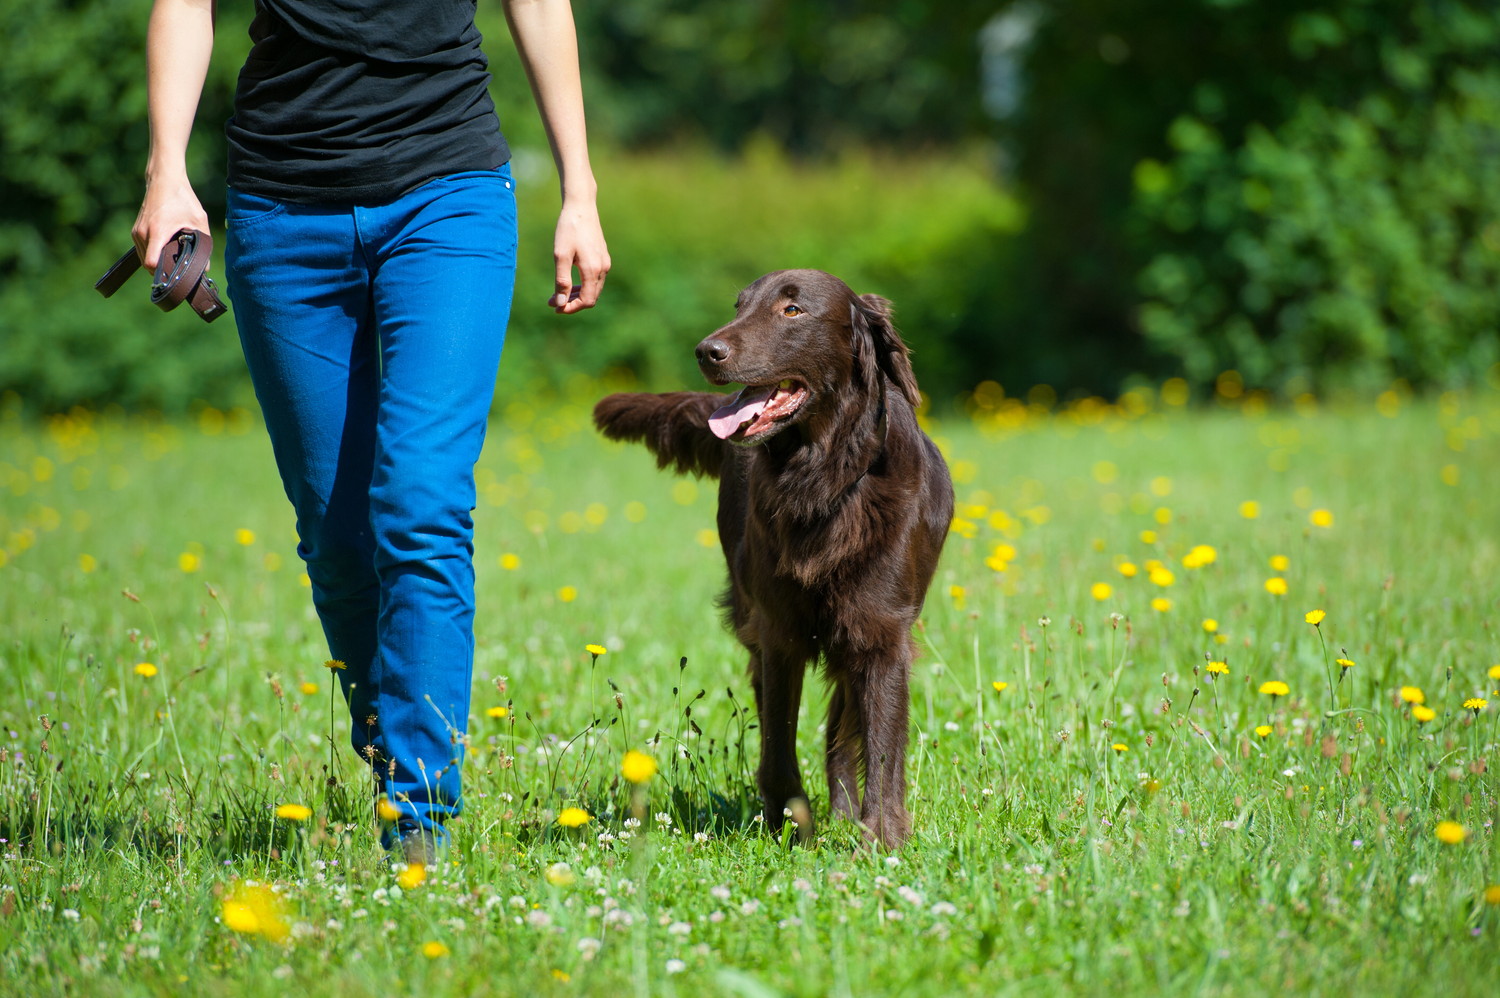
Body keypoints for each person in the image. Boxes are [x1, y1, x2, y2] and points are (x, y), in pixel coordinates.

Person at [132, 0, 610, 863]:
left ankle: (418, 821)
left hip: (448, 194)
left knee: (422, 499)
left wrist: (580, 187)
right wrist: (167, 171)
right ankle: (394, 746)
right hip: (283, 209)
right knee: (335, 530)